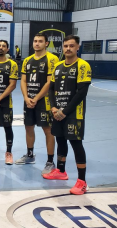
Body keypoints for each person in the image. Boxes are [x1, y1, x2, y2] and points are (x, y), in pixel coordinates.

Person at [44, 35, 92, 195]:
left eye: (71, 46)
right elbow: (51, 89)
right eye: (65, 46)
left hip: (73, 114)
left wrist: (64, 111)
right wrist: (53, 108)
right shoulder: (57, 67)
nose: (68, 49)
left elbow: (81, 93)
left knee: (76, 144)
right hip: (57, 111)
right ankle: (61, 171)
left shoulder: (83, 66)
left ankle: (82, 181)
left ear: (78, 47)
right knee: (60, 140)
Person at [15, 33, 59, 175]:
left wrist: (37, 98)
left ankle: (50, 161)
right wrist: (27, 97)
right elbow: (23, 81)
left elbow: (49, 82)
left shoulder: (52, 59)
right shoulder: (27, 60)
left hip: (44, 101)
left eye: (40, 41)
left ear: (46, 43)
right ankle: (30, 155)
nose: (37, 43)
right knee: (29, 127)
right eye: (35, 41)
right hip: (29, 100)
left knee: (48, 130)